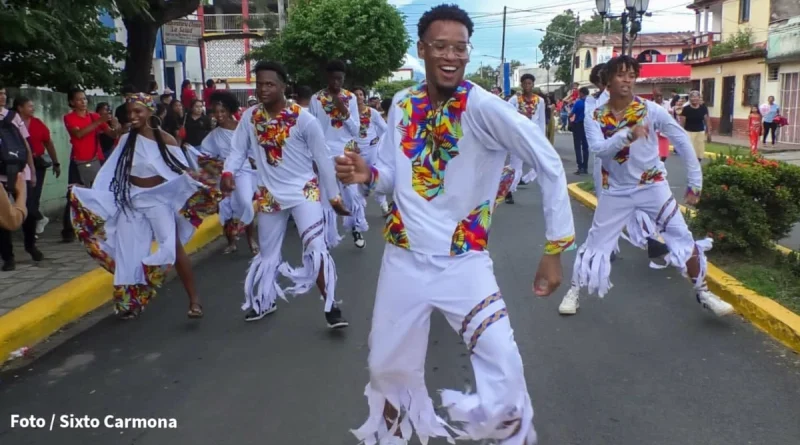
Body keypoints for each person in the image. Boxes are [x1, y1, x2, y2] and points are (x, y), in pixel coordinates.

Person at [336, 5, 574, 445]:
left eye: (460, 48)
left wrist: (554, 248)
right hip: (403, 260)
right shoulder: (402, 103)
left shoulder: (484, 108)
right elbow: (391, 175)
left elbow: (547, 161)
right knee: (386, 368)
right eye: (441, 46)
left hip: (463, 263)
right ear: (422, 49)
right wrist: (368, 174)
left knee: (503, 364)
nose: (451, 56)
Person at [557, 56, 733, 318]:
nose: (627, 80)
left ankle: (703, 292)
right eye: (621, 74)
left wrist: (695, 183)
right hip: (617, 190)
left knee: (681, 237)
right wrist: (627, 135)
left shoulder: (651, 110)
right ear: (608, 80)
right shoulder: (595, 115)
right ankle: (574, 291)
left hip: (652, 186)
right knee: (596, 243)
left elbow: (681, 141)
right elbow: (599, 150)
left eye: (631, 75)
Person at [221, 61, 351, 327]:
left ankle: (331, 306)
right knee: (267, 254)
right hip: (269, 195)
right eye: (259, 84)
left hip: (304, 193)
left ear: (283, 86)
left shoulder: (304, 119)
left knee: (315, 248)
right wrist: (228, 172)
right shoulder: (251, 117)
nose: (263, 89)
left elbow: (323, 159)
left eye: (269, 84)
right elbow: (237, 150)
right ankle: (264, 301)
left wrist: (334, 196)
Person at [69, 92, 219, 319]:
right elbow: (110, 172)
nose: (132, 116)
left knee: (173, 248)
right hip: (131, 200)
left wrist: (204, 181)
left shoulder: (166, 140)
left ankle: (194, 300)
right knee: (128, 253)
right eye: (129, 112)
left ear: (150, 112)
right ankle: (131, 302)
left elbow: (180, 173)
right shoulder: (126, 140)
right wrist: (87, 192)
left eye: (138, 111)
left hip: (158, 201)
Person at [308, 59, 367, 249]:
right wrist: (313, 157)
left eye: (339, 79)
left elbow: (355, 130)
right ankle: (328, 238)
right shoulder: (316, 99)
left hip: (345, 153)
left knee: (351, 195)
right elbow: (311, 131)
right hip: (323, 155)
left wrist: (344, 111)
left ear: (344, 79)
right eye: (332, 78)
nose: (336, 82)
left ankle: (355, 226)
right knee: (328, 199)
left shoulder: (350, 98)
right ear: (327, 77)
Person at [199, 90, 258, 254]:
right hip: (224, 174)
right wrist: (214, 166)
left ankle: (250, 239)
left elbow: (253, 150)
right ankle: (231, 242)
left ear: (230, 110)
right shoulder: (213, 135)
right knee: (225, 207)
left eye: (223, 111)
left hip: (243, 171)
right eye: (216, 112)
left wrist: (251, 161)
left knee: (245, 203)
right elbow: (204, 156)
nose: (219, 115)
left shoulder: (242, 129)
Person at [61, 88, 119, 243]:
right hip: (78, 160)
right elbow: (79, 134)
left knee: (96, 193)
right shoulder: (69, 117)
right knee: (73, 194)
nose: (83, 102)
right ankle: (69, 229)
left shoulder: (94, 116)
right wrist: (99, 122)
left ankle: (96, 226)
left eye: (84, 99)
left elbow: (112, 134)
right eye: (79, 99)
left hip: (95, 159)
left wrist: (116, 125)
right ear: (72, 102)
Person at [15, 96, 62, 238]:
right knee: (23, 198)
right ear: (20, 108)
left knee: (33, 197)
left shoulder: (37, 123)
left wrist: (56, 162)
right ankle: (39, 219)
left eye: (32, 106)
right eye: (29, 106)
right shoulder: (12, 123)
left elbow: (48, 143)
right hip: (19, 164)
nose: (32, 108)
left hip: (37, 163)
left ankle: (33, 229)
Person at [505, 74, 545, 203]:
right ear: (521, 84)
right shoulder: (515, 100)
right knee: (516, 165)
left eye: (530, 83)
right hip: (518, 136)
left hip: (533, 136)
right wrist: (519, 114)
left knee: (539, 162)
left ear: (533, 84)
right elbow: (507, 115)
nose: (527, 86)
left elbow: (541, 120)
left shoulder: (540, 100)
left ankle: (525, 179)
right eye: (525, 83)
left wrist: (542, 138)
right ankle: (509, 190)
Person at [352, 85, 389, 215]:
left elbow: (385, 128)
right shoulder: (348, 114)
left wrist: (379, 141)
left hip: (372, 150)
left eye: (361, 94)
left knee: (375, 178)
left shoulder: (372, 112)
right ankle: (360, 209)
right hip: (356, 152)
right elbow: (343, 133)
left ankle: (383, 205)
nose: (358, 97)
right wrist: (351, 145)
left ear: (364, 97)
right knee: (358, 180)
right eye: (355, 95)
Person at [678, 90, 710, 163]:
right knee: (690, 152)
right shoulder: (686, 109)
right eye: (692, 97)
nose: (694, 99)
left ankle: (697, 165)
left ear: (699, 98)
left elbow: (707, 120)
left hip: (700, 132)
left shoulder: (703, 108)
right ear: (690, 99)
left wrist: (709, 133)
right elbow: (682, 122)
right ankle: (692, 166)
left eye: (696, 97)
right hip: (689, 132)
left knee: (699, 153)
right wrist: (681, 134)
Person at [569, 87, 590, 175]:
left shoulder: (579, 102)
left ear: (581, 93)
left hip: (578, 125)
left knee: (577, 146)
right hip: (587, 125)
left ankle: (580, 167)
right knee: (585, 146)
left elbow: (571, 114)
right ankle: (585, 167)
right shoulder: (590, 102)